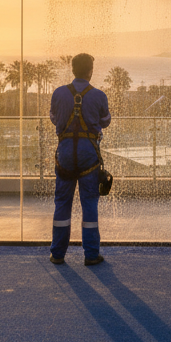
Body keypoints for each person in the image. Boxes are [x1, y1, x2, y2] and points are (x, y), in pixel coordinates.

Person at [48, 53, 111, 266]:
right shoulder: (99, 95)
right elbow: (106, 121)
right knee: (89, 203)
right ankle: (91, 255)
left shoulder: (59, 93)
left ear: (73, 70)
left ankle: (58, 253)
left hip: (65, 155)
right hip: (89, 156)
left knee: (62, 203)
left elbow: (54, 118)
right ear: (90, 71)